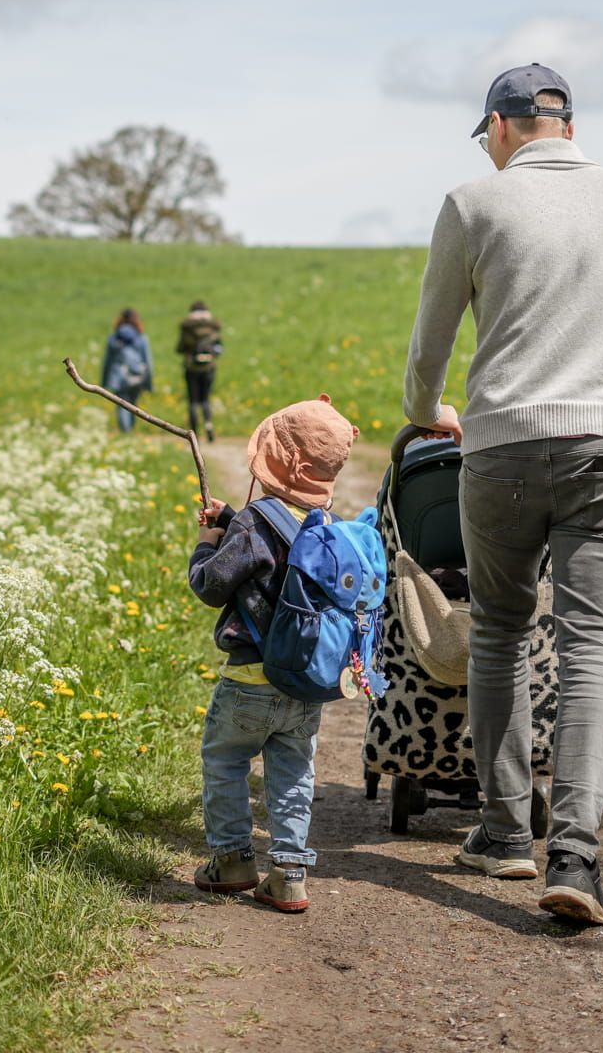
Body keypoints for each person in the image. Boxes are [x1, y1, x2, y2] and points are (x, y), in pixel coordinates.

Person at [403, 63, 603, 925]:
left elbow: (432, 340)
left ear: (501, 128)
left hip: (504, 446)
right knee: (595, 646)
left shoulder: (474, 203)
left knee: (501, 629)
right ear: (569, 125)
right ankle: (578, 859)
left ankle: (505, 830)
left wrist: (423, 413)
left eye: (488, 138)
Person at [186, 395, 360, 914]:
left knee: (225, 760)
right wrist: (235, 519)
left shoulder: (252, 527)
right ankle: (287, 874)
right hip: (304, 684)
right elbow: (278, 554)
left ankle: (234, 861)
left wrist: (206, 540)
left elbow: (211, 586)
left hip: (249, 682)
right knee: (292, 776)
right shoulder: (325, 525)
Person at [176, 300, 223, 442]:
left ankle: (194, 432)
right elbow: (219, 348)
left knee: (193, 401)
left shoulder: (187, 327)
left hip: (191, 368)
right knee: (205, 399)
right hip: (209, 367)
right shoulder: (213, 327)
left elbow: (180, 348)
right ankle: (209, 425)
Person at [99, 308, 154, 433]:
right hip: (137, 376)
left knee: (122, 404)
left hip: (119, 377)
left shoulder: (113, 338)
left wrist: (104, 382)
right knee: (133, 405)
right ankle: (130, 430)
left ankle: (125, 432)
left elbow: (107, 361)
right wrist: (149, 383)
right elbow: (148, 361)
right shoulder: (141, 338)